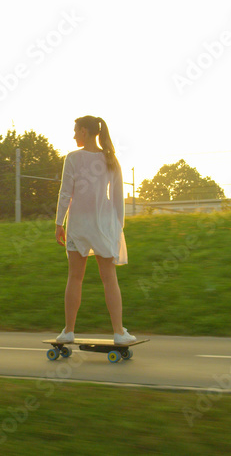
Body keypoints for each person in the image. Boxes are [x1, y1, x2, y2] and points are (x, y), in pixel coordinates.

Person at [54, 115, 135, 345]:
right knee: (109, 279)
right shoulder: (110, 159)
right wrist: (118, 227)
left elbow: (65, 194)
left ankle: (69, 331)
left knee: (75, 277)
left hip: (78, 224)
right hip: (103, 223)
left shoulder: (72, 159)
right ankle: (119, 333)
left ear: (85, 132)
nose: (73, 135)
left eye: (75, 131)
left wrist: (59, 223)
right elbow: (118, 198)